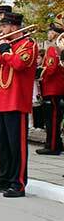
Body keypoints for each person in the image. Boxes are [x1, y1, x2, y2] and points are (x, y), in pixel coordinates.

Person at [0, 12, 38, 198]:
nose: (1, 30)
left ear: (14, 27)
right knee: (3, 144)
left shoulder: (28, 45)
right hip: (2, 100)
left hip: (17, 101)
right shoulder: (11, 45)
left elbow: (19, 64)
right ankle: (4, 178)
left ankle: (19, 183)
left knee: (17, 145)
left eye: (4, 26)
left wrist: (4, 49)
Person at [36, 20, 64, 155]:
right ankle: (56, 143)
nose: (48, 33)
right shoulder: (56, 48)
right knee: (53, 117)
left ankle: (52, 146)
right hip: (55, 87)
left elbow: (51, 68)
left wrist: (40, 72)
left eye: (50, 31)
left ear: (54, 33)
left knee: (52, 118)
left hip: (53, 88)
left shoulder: (53, 48)